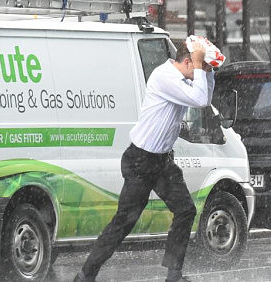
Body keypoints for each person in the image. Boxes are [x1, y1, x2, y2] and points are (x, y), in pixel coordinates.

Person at [73, 40, 215, 282]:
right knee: (124, 222)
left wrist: (208, 72)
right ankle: (86, 274)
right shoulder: (164, 76)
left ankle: (174, 275)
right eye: (197, 67)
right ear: (187, 61)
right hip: (140, 160)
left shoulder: (183, 78)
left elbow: (205, 97)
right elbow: (199, 100)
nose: (198, 74)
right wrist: (202, 67)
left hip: (161, 162)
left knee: (186, 210)